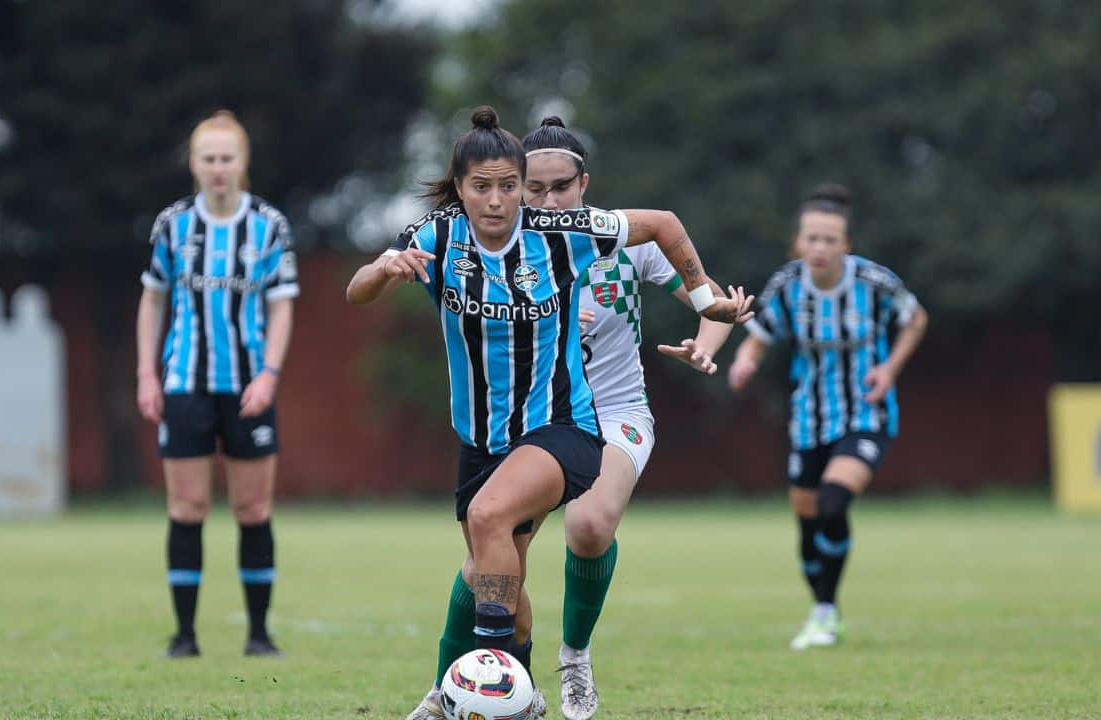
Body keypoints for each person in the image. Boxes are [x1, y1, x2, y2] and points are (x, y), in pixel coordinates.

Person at [346, 106, 752, 719]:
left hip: (572, 422)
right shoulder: (436, 235)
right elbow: (357, 290)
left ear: (577, 185)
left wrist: (705, 308)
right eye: (489, 186)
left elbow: (669, 231)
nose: (504, 199)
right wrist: (382, 268)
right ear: (459, 187)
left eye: (513, 187)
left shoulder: (571, 233)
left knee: (523, 522)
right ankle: (510, 693)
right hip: (485, 438)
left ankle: (508, 679)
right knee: (490, 567)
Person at [727, 183, 928, 650]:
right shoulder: (787, 285)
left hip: (866, 414)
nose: (819, 248)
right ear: (798, 241)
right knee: (808, 523)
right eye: (811, 238)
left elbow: (915, 318)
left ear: (847, 245)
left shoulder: (874, 283)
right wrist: (745, 361)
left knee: (833, 502)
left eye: (829, 240)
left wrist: (889, 368)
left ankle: (824, 612)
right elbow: (760, 333)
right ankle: (824, 608)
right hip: (808, 420)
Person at [136, 109, 299, 659]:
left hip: (248, 387)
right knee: (187, 508)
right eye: (209, 158)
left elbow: (281, 308)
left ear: (242, 163)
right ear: (194, 164)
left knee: (253, 510)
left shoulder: (268, 225)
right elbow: (153, 297)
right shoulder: (173, 225)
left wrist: (270, 374)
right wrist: (146, 374)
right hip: (184, 382)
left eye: (228, 158)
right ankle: (185, 636)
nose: (218, 168)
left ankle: (259, 634)